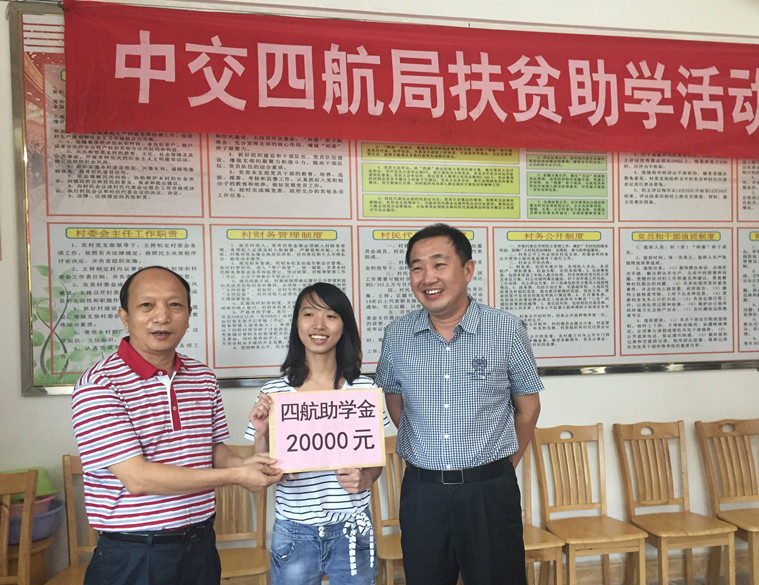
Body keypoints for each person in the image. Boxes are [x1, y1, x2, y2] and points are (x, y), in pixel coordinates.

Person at [71, 266, 284, 585]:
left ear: (188, 315)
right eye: (147, 305)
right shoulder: (99, 385)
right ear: (124, 317)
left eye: (174, 305)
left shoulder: (202, 377)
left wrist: (248, 463)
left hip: (200, 548)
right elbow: (138, 478)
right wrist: (237, 476)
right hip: (135, 556)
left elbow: (214, 452)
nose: (162, 316)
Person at [375, 223, 543, 585]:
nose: (427, 277)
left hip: (489, 493)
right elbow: (395, 402)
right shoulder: (397, 335)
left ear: (467, 270)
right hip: (423, 493)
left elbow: (528, 407)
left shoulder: (506, 330)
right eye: (417, 267)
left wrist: (501, 466)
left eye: (439, 264)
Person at [246, 282, 385, 585]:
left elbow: (375, 459)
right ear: (297, 322)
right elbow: (260, 470)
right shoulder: (274, 393)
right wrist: (261, 433)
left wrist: (366, 478)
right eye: (309, 314)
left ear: (344, 326)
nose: (319, 325)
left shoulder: (365, 390)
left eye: (331, 316)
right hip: (295, 530)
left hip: (352, 527)